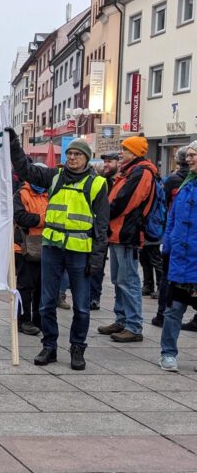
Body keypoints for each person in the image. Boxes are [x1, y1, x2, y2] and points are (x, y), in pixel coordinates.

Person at [7, 129, 109, 370]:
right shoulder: (55, 176)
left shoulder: (97, 184)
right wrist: (13, 144)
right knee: (46, 303)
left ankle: (77, 348)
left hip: (79, 252)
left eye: (77, 154)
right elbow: (26, 170)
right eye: (69, 153)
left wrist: (97, 259)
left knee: (82, 306)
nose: (72, 157)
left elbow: (102, 227)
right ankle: (49, 346)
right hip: (51, 249)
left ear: (86, 157)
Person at [97, 136, 157, 343]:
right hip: (118, 233)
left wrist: (104, 213)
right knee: (118, 279)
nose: (121, 153)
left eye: (125, 150)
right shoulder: (132, 171)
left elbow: (125, 202)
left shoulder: (141, 173)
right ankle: (121, 320)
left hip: (127, 233)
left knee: (128, 280)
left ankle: (133, 325)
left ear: (135, 152)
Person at [158, 140, 197, 372]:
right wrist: (168, 244)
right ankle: (168, 353)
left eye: (193, 155)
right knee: (173, 310)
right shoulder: (186, 185)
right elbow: (172, 218)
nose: (188, 159)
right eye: (188, 155)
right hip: (180, 262)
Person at [13, 170, 48, 336]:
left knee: (42, 286)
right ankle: (23, 320)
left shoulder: (49, 194)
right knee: (25, 286)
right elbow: (21, 218)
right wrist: (44, 219)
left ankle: (38, 319)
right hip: (25, 247)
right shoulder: (21, 194)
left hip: (46, 246)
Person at [90, 152, 120, 309]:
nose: (106, 165)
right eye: (105, 162)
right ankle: (93, 297)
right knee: (97, 265)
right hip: (101, 230)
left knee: (119, 276)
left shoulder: (121, 182)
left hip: (117, 232)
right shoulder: (102, 182)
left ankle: (96, 297)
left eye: (110, 161)